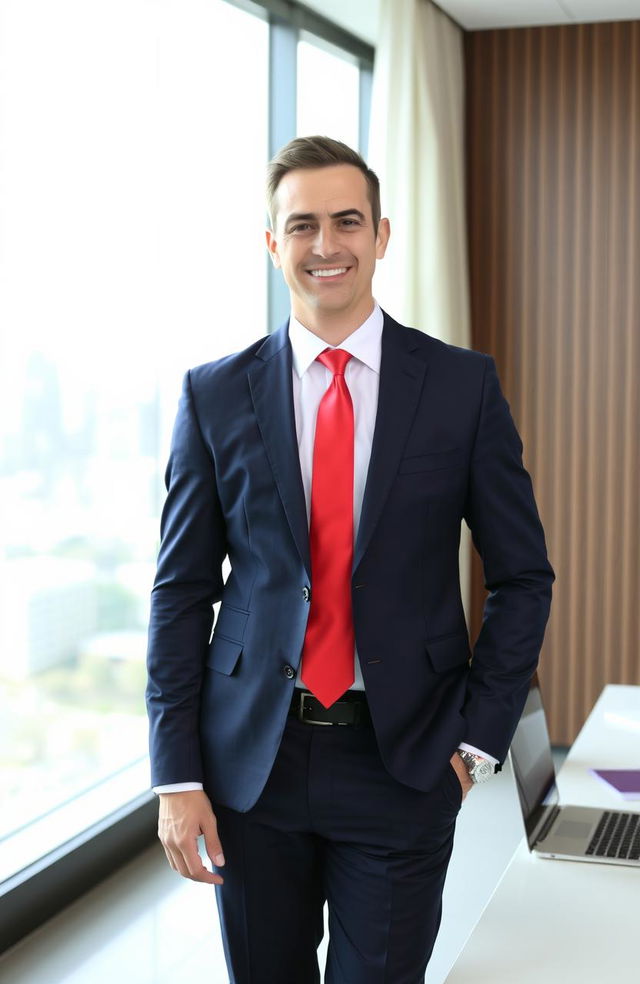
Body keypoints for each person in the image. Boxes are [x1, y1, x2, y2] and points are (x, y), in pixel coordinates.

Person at [146, 135, 554, 983]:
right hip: (250, 764)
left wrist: (477, 740)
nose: (325, 245)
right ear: (272, 243)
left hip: (404, 760)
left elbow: (522, 576)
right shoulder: (214, 394)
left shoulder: (459, 386)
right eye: (302, 226)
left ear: (381, 234)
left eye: (346, 222)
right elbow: (181, 594)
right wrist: (175, 775)